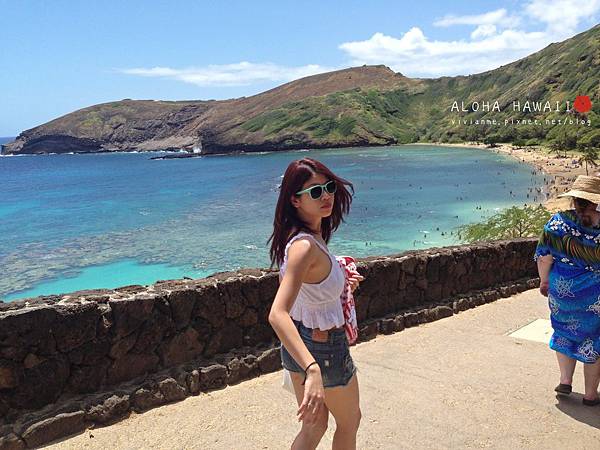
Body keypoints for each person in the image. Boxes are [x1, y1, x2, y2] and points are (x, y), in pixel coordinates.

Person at [268, 157, 364, 449]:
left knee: (315, 426)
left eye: (329, 187)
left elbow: (304, 293)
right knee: (350, 422)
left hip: (301, 343)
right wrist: (312, 369)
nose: (326, 196)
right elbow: (277, 313)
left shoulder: (300, 237)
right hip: (323, 351)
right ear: (295, 200)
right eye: (315, 191)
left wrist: (340, 286)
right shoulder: (305, 247)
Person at [535, 175, 600, 406]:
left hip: (562, 289)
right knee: (594, 339)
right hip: (595, 294)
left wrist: (544, 282)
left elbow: (544, 258)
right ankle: (591, 394)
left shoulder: (557, 223)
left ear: (573, 199)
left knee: (563, 331)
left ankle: (565, 380)